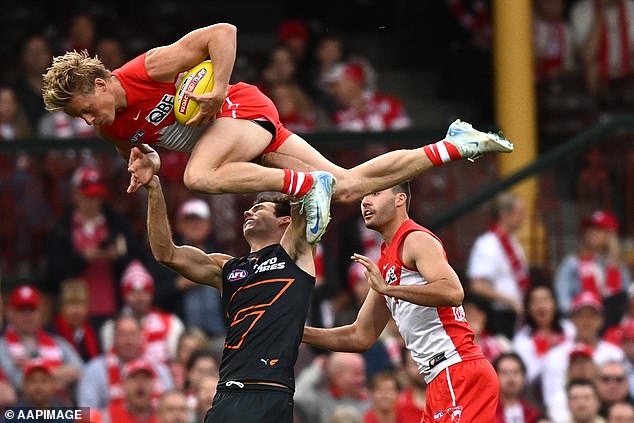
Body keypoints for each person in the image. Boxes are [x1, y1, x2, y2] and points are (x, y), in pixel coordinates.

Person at [41, 23, 514, 244]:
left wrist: (219, 85)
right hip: (237, 133)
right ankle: (452, 143)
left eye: (87, 108)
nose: (89, 120)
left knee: (201, 178)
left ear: (101, 84)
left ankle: (309, 186)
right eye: (81, 117)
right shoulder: (111, 129)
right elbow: (146, 151)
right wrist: (146, 163)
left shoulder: (146, 69)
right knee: (349, 185)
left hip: (238, 107)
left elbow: (222, 32)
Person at [303, 182, 499, 422]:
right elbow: (358, 336)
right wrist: (297, 332)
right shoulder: (386, 261)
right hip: (440, 379)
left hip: (458, 371)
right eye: (364, 195)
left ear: (400, 199)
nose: (365, 201)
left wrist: (388, 289)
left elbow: (453, 291)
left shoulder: (415, 239)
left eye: (375, 193)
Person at [142, 174, 317, 423]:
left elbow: (305, 189)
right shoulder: (227, 268)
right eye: (249, 208)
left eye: (259, 208)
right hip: (227, 392)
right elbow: (166, 253)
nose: (248, 212)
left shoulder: (297, 252)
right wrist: (153, 187)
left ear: (285, 220)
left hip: (271, 390)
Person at [466, 192, 529, 338]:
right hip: (498, 315)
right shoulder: (487, 244)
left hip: (516, 314)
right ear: (505, 214)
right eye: (519, 212)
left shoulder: (513, 242)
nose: (523, 217)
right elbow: (477, 285)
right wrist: (510, 300)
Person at [493, 352, 541, 423]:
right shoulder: (487, 414)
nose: (511, 378)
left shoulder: (534, 415)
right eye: (504, 373)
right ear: (494, 376)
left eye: (516, 372)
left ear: (524, 377)